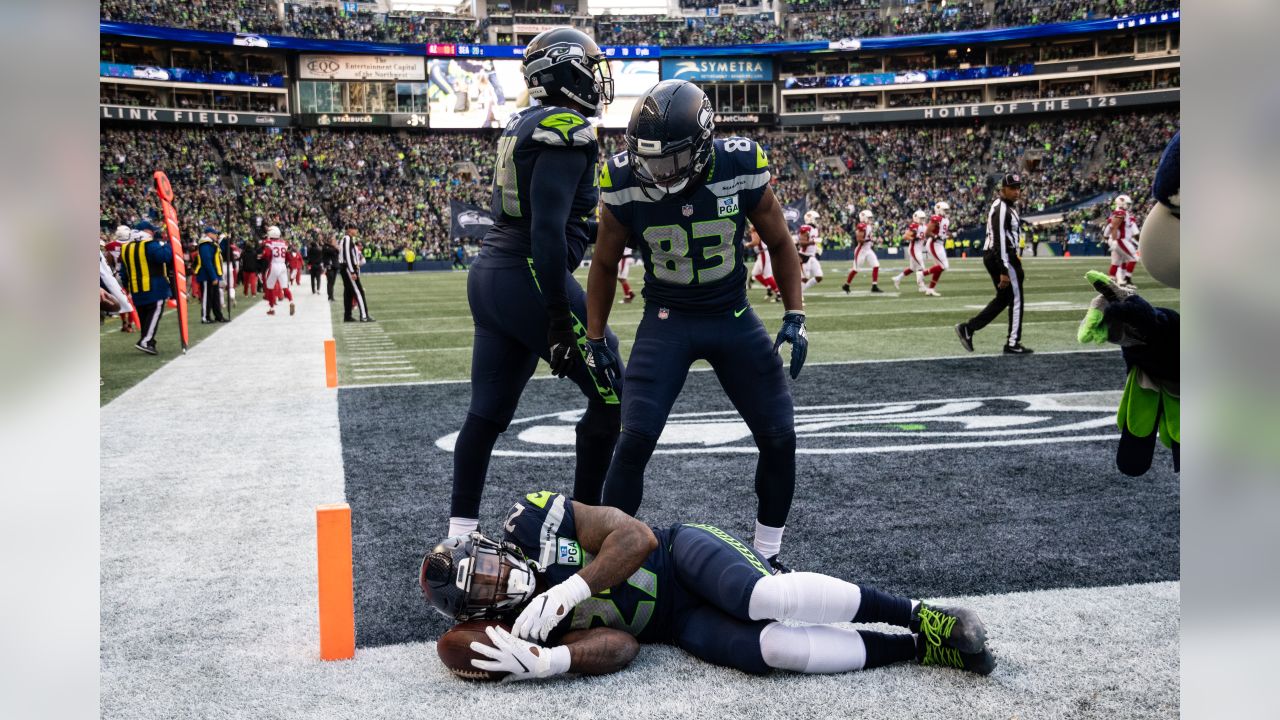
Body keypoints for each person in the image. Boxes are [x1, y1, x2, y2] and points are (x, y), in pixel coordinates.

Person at [419, 490, 995, 682]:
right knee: (776, 650)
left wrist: (569, 591)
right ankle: (922, 647)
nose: (503, 574)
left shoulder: (532, 518)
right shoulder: (509, 626)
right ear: (482, 604)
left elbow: (635, 536)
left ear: (490, 545)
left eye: (491, 563)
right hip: (672, 624)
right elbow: (624, 646)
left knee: (763, 597)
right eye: (488, 584)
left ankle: (922, 614)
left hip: (679, 555)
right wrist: (551, 661)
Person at [586, 79, 806, 564]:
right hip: (666, 320)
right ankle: (604, 565)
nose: (657, 172)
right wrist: (594, 337)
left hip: (731, 315)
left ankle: (768, 556)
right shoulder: (624, 180)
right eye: (649, 160)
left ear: (705, 146)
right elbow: (603, 264)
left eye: (670, 160)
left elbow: (780, 242)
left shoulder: (738, 164)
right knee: (634, 441)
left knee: (779, 436)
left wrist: (795, 311)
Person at [446, 27, 625, 540]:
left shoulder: (523, 120)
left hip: (492, 274)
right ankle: (588, 530)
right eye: (588, 67)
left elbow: (554, 220)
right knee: (612, 388)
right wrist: (559, 321)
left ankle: (459, 538)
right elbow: (546, 231)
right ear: (565, 73)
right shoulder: (566, 129)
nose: (595, 78)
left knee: (485, 415)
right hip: (526, 270)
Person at [955, 173, 1032, 355]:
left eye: (1018, 188)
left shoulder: (1006, 207)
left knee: (1004, 299)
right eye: (1012, 188)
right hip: (1001, 256)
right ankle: (1013, 343)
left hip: (999, 255)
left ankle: (969, 328)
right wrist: (1004, 269)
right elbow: (1000, 240)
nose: (1016, 191)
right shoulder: (1002, 207)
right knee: (1016, 299)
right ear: (1002, 189)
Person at [119, 221, 172, 355]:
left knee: (145, 317)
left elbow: (124, 272)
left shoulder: (126, 247)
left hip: (136, 288)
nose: (153, 233)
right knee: (153, 315)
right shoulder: (150, 244)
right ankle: (146, 341)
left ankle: (149, 341)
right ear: (146, 231)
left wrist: (128, 287)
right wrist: (167, 244)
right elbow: (164, 257)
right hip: (154, 287)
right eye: (151, 230)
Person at [339, 223, 372, 322]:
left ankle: (347, 316)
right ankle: (364, 316)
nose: (356, 231)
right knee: (359, 291)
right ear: (349, 229)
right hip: (348, 268)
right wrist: (352, 271)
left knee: (348, 293)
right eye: (355, 228)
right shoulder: (347, 239)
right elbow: (348, 256)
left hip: (346, 268)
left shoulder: (346, 239)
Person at [259, 225, 295, 317]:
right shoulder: (284, 243)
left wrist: (261, 256)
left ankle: (272, 308)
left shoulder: (269, 243)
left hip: (274, 265)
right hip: (282, 265)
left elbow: (267, 254)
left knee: (270, 287)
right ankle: (291, 301)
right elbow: (288, 256)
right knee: (285, 287)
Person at [193, 226, 226, 323]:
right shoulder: (205, 245)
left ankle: (218, 316)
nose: (216, 235)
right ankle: (205, 317)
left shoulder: (211, 244)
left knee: (215, 297)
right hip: (207, 275)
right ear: (209, 234)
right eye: (214, 233)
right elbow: (207, 262)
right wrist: (213, 276)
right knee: (207, 297)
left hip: (213, 274)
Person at [891, 210, 929, 293]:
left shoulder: (924, 225)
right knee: (921, 267)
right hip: (914, 249)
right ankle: (921, 286)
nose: (923, 220)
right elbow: (905, 236)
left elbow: (924, 235)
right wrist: (914, 238)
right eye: (921, 218)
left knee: (912, 268)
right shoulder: (914, 225)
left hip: (918, 249)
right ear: (916, 218)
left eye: (923, 218)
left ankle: (897, 278)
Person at [841, 222, 882, 294]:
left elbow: (870, 237)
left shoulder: (869, 226)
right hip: (861, 250)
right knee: (856, 269)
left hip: (868, 249)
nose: (870, 219)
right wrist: (872, 240)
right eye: (869, 217)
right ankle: (846, 285)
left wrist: (874, 239)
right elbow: (859, 240)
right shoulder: (862, 226)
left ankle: (874, 286)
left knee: (876, 265)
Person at [920, 214, 948, 297]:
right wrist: (935, 236)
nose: (946, 212)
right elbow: (927, 233)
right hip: (934, 243)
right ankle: (922, 274)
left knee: (939, 268)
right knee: (943, 266)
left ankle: (930, 289)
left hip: (939, 244)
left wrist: (948, 235)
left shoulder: (945, 220)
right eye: (945, 210)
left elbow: (942, 232)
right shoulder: (936, 218)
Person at [323, 235, 340, 302]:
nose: (335, 242)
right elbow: (333, 251)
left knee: (332, 283)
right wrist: (335, 248)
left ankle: (331, 296)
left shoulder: (332, 247)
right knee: (330, 282)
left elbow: (337, 252)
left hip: (335, 266)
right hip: (329, 267)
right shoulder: (326, 247)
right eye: (334, 241)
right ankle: (330, 297)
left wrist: (336, 248)